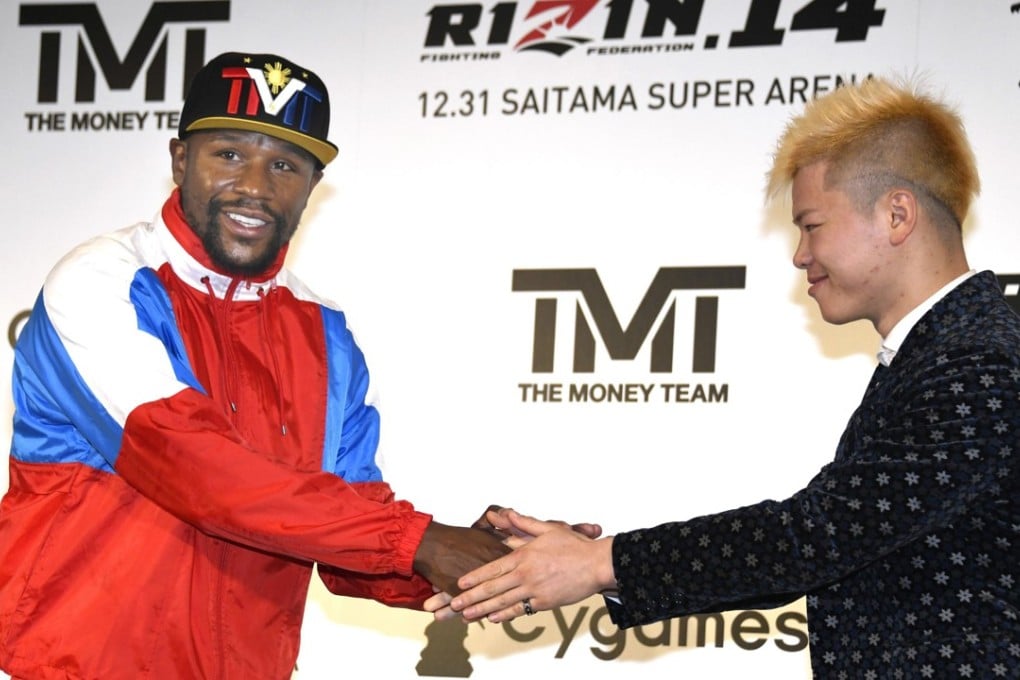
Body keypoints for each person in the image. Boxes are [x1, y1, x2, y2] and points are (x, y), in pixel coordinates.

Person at [429, 76, 1020, 678]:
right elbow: (821, 552)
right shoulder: (941, 352)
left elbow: (815, 537)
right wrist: (587, 559)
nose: (798, 254)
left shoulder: (974, 362)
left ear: (897, 215)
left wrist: (600, 562)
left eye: (811, 224)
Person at [0, 51, 513, 680]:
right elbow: (193, 466)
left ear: (311, 188)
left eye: (285, 165)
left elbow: (348, 526)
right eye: (230, 154)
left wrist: (488, 566)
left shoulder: (326, 331)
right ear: (180, 159)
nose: (256, 188)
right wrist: (422, 540)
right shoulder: (100, 280)